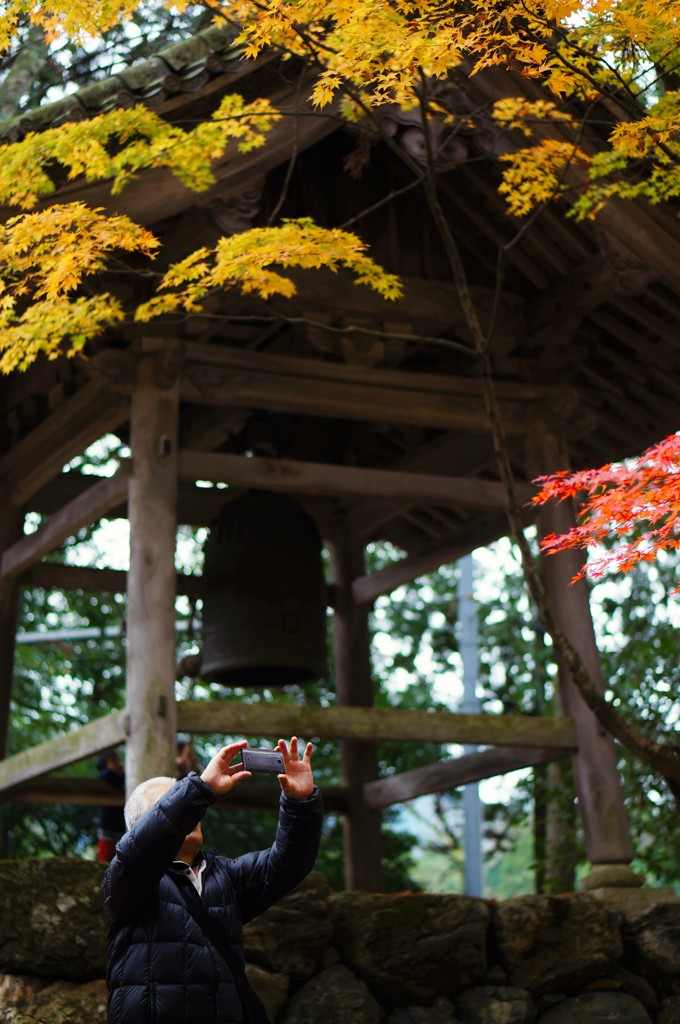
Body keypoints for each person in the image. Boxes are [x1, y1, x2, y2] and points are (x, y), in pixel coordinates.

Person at [103, 736, 323, 1024]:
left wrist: (301, 803)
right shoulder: (126, 878)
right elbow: (140, 850)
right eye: (170, 806)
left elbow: (289, 862)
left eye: (191, 806)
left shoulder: (225, 876)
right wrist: (200, 789)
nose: (190, 814)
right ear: (136, 829)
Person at [95, 748, 126, 863]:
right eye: (114, 761)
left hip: (121, 832)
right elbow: (107, 775)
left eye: (119, 760)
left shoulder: (121, 779)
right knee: (106, 864)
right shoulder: (106, 775)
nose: (119, 763)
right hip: (108, 833)